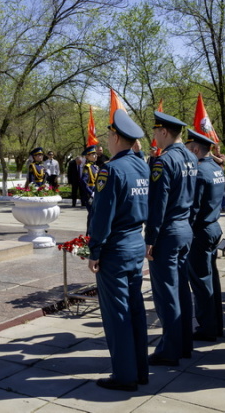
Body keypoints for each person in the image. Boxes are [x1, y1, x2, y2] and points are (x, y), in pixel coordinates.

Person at [87, 106, 149, 391]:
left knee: (118, 315)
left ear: (115, 138)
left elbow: (102, 216)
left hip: (115, 248)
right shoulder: (141, 165)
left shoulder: (110, 169)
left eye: (108, 135)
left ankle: (124, 376)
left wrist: (95, 250)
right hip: (135, 243)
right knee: (135, 309)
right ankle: (139, 370)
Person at [145, 112, 197, 366]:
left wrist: (150, 237)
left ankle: (169, 350)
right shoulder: (190, 156)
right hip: (185, 228)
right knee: (181, 290)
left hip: (167, 232)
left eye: (155, 132)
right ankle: (184, 344)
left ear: (164, 132)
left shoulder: (163, 162)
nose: (154, 136)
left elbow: (158, 204)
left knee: (166, 294)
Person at [185, 130, 225, 342]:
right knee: (211, 280)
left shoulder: (199, 172)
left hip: (199, 231)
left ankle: (206, 327)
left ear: (195, 149)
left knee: (200, 282)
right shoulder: (215, 168)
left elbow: (193, 208)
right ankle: (215, 323)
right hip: (212, 226)